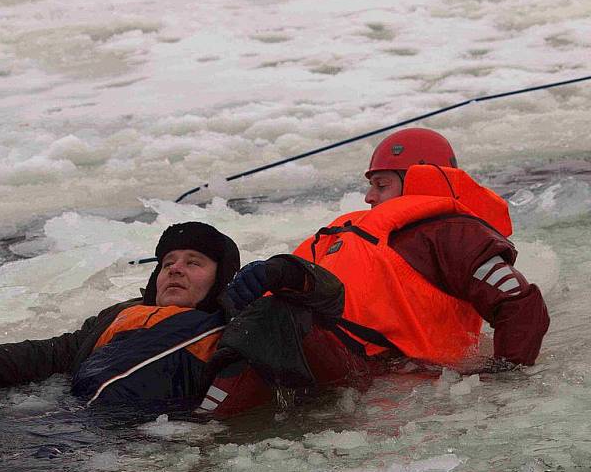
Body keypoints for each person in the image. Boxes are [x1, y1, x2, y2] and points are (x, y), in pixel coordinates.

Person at [208, 128, 549, 415]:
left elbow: (519, 304)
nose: (369, 196)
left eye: (382, 185)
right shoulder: (343, 231)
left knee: (272, 319)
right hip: (329, 356)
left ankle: (200, 431)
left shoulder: (450, 232)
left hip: (388, 374)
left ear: (422, 181)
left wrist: (505, 381)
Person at [0, 222, 244, 412]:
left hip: (123, 438)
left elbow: (295, 310)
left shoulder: (229, 326)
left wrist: (281, 273)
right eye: (168, 263)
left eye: (193, 262)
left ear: (221, 279)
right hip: (63, 413)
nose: (176, 270)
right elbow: (54, 353)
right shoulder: (121, 315)